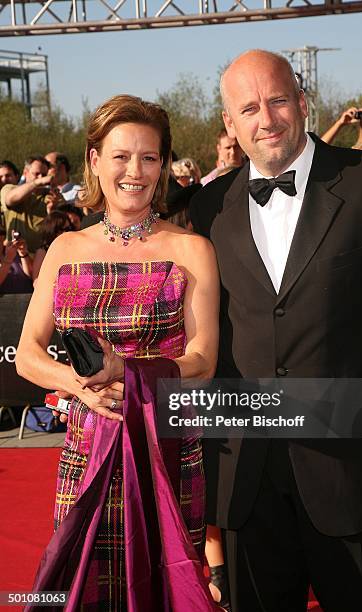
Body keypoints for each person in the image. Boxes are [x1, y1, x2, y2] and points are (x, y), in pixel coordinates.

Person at [190, 49, 362, 612]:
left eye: (279, 99)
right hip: (244, 479)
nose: (267, 118)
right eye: (249, 108)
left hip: (352, 471)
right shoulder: (207, 207)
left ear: (304, 102)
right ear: (229, 124)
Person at [16, 94, 220, 611]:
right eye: (121, 156)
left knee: (167, 584)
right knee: (84, 587)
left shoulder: (191, 249)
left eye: (149, 157)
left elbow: (202, 359)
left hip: (165, 450)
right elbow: (27, 355)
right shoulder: (64, 250)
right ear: (94, 161)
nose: (135, 170)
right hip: (87, 448)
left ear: (164, 166)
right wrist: (82, 384)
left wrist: (129, 375)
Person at [1, 155, 63, 254]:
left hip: (40, 257)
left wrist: (52, 211)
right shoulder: (9, 188)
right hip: (13, 257)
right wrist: (37, 183)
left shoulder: (51, 195)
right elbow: (10, 199)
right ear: (25, 173)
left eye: (44, 174)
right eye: (36, 174)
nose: (41, 177)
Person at [32, 210, 76, 285]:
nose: (65, 233)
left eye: (68, 229)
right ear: (52, 231)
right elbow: (36, 282)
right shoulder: (43, 251)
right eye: (60, 230)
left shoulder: (74, 249)